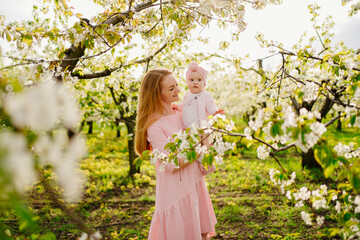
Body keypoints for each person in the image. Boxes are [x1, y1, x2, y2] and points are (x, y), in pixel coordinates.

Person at [135, 68, 217, 240]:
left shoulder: (182, 113)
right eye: (171, 88)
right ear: (157, 94)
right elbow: (174, 164)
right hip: (175, 195)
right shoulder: (154, 125)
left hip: (194, 184)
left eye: (177, 85)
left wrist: (210, 132)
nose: (179, 90)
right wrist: (200, 147)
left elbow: (204, 133)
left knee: (201, 234)